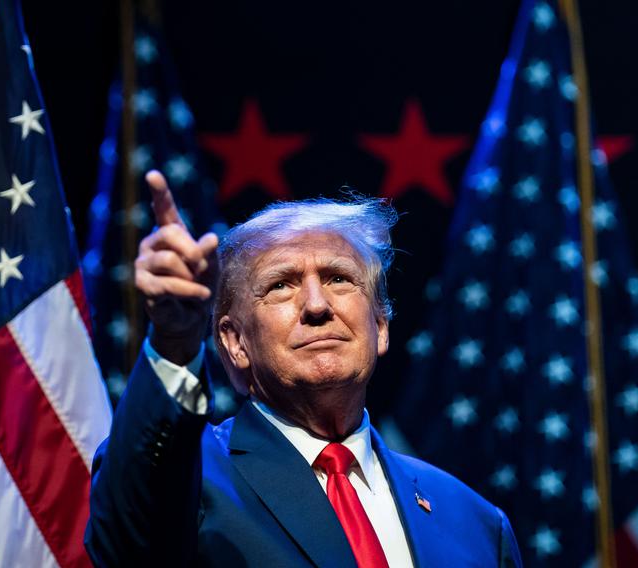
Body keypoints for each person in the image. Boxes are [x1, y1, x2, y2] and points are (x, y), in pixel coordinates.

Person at [84, 171, 522, 567]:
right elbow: (124, 542)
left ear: (381, 327)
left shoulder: (475, 522)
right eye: (281, 285)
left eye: (338, 278)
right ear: (236, 343)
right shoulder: (190, 479)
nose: (316, 306)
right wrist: (174, 342)